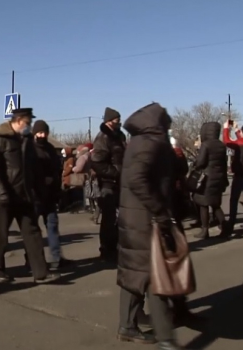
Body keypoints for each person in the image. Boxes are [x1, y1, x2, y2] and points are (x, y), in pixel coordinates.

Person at [117, 102, 184, 349]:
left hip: (135, 218)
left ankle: (127, 326)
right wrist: (159, 209)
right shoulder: (150, 142)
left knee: (135, 273)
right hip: (145, 219)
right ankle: (166, 339)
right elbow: (137, 179)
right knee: (156, 277)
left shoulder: (140, 140)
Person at [0, 108, 60, 283]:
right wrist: (2, 193)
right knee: (1, 235)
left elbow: (33, 168)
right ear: (18, 121)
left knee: (32, 233)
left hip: (25, 195)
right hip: (5, 196)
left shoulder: (27, 140)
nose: (30, 126)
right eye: (28, 122)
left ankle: (40, 272)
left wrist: (37, 191)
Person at [32, 120, 71, 269]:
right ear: (35, 134)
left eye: (44, 133)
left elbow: (56, 169)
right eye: (39, 133)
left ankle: (56, 258)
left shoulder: (50, 149)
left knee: (53, 227)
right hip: (35, 196)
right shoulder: (30, 149)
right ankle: (33, 260)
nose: (42, 135)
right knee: (33, 232)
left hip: (50, 196)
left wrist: (56, 189)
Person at [91, 107, 126, 262]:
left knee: (122, 216)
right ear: (109, 121)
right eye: (117, 120)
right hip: (107, 183)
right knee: (109, 218)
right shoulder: (103, 137)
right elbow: (97, 163)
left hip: (121, 182)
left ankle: (118, 246)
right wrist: (115, 172)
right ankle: (106, 250)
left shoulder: (120, 136)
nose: (119, 123)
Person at [192, 122, 229, 239]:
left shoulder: (206, 145)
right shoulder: (222, 145)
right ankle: (225, 227)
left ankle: (205, 230)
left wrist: (195, 162)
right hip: (219, 177)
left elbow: (201, 162)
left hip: (207, 179)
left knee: (203, 204)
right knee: (215, 205)